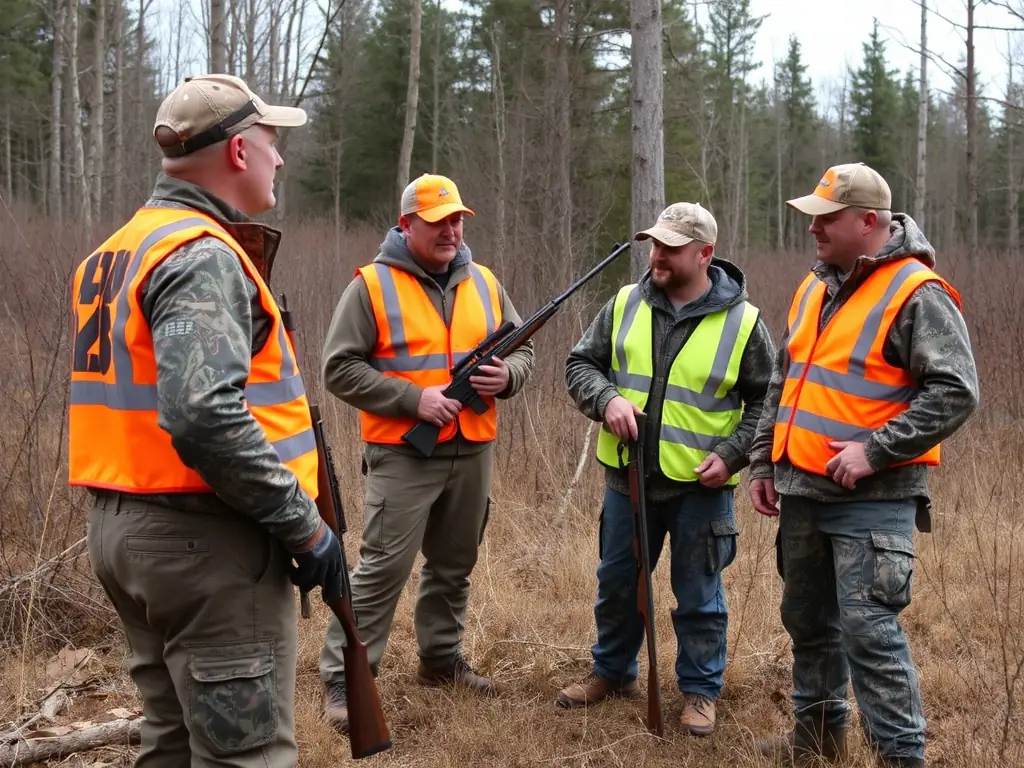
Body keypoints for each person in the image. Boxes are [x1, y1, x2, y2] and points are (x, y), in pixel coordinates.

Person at [68, 74, 343, 767]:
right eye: (273, 143)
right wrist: (304, 526)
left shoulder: (120, 248)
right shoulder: (199, 254)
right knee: (244, 757)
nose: (281, 159)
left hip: (124, 533)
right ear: (240, 153)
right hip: (204, 545)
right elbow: (203, 416)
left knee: (171, 743)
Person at [747, 163, 980, 768]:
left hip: (871, 500)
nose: (814, 229)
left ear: (867, 221)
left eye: (826, 218)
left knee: (869, 632)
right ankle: (818, 738)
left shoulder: (916, 292)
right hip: (800, 490)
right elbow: (784, 377)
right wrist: (764, 463)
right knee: (807, 621)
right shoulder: (815, 286)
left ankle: (902, 757)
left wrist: (875, 450)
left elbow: (955, 391)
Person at [318, 172, 535, 732]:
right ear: (406, 224)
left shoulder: (485, 282)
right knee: (382, 569)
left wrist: (505, 377)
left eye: (457, 220)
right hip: (403, 453)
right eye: (438, 222)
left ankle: (441, 659)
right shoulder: (371, 286)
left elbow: (524, 348)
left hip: (473, 449)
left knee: (454, 564)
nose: (451, 231)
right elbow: (338, 368)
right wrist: (415, 400)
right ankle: (346, 677)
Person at [558, 202, 776, 736]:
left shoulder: (744, 323)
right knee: (616, 584)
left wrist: (730, 455)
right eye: (654, 243)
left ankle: (700, 693)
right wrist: (606, 399)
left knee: (700, 596)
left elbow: (768, 403)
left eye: (671, 248)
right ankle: (612, 673)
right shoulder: (624, 303)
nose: (657, 254)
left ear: (705, 255)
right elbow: (579, 364)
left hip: (701, 489)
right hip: (626, 480)